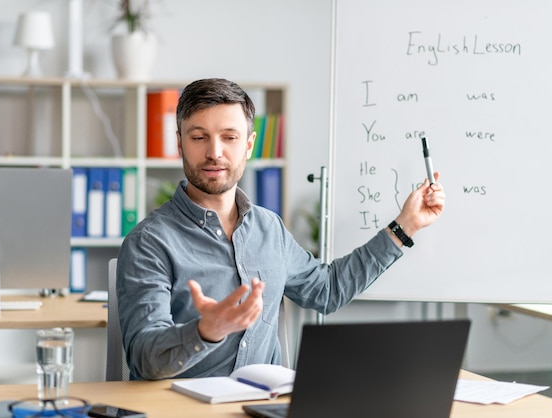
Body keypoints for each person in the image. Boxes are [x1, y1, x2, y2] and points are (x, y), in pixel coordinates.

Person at [116, 78, 445, 381]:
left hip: (261, 407)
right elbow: (145, 358)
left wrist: (407, 225)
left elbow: (327, 290)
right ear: (180, 143)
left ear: (249, 144)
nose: (214, 152)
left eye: (229, 137)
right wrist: (205, 330)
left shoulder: (267, 227)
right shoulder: (149, 243)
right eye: (199, 137)